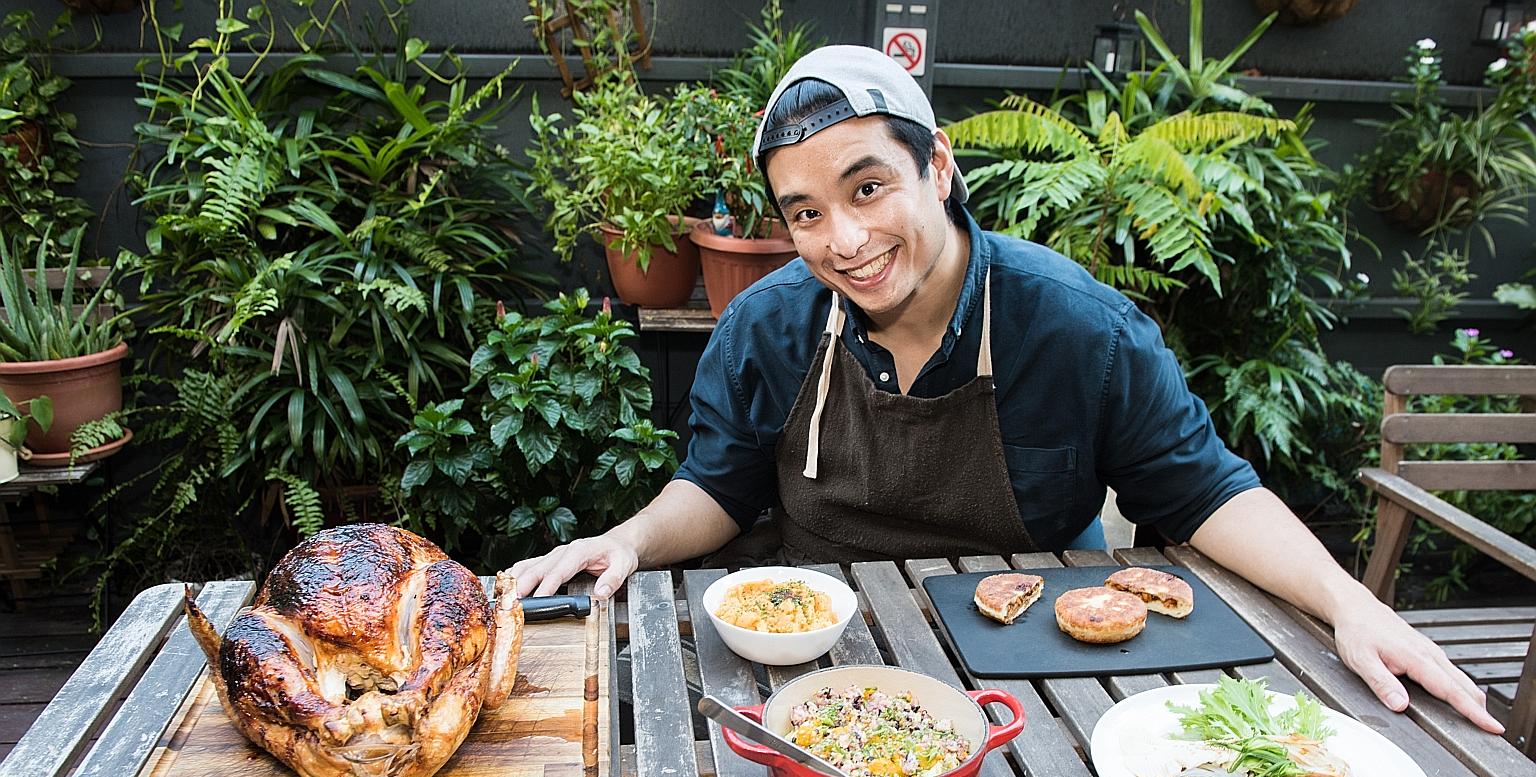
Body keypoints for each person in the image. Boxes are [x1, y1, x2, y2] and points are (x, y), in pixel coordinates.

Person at [514, 45, 1503, 734]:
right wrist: (632, 539)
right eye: (806, 213)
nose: (845, 241)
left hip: (1036, 668)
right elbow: (719, 488)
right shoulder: (768, 323)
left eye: (868, 189)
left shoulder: (1074, 325)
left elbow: (1203, 493)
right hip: (815, 656)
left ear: (937, 165)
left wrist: (1346, 602)